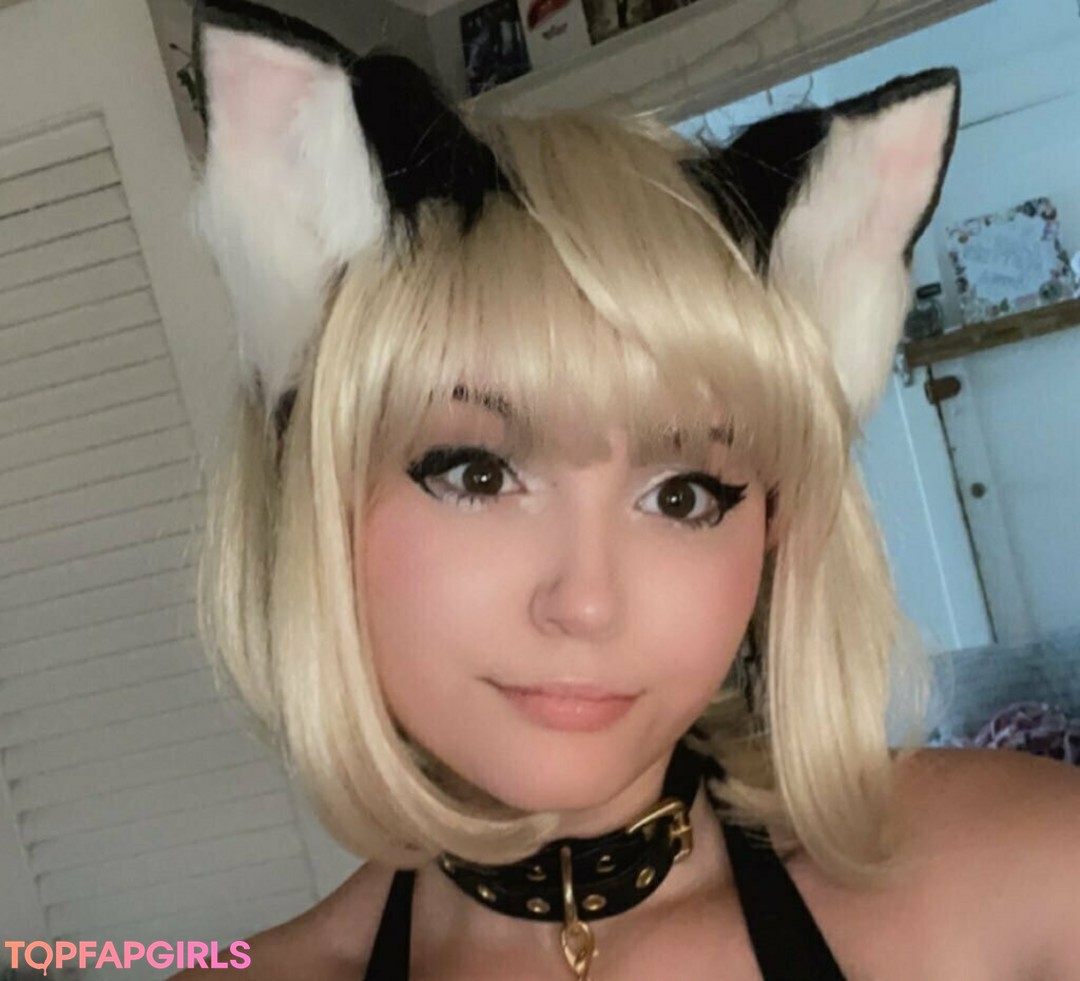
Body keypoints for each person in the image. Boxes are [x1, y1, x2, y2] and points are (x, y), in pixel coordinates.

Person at [175, 1, 1080, 978]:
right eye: (478, 473)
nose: (588, 602)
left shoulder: (1032, 874)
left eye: (683, 495)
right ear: (311, 491)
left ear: (778, 522)